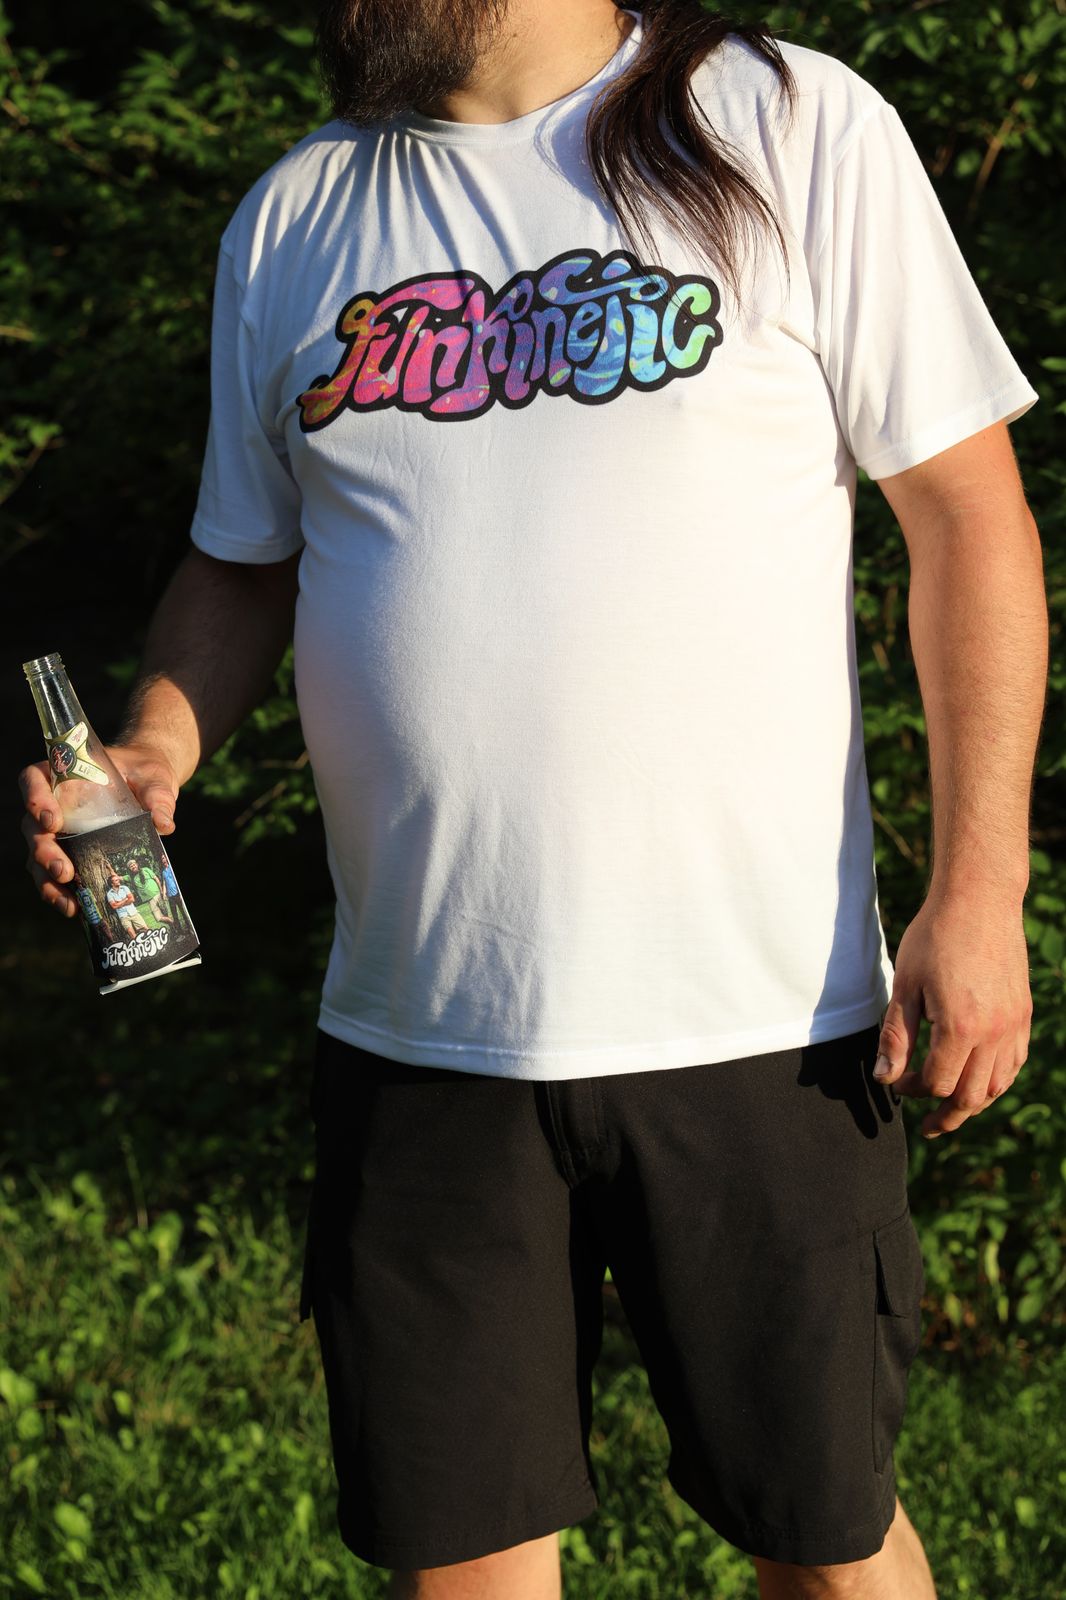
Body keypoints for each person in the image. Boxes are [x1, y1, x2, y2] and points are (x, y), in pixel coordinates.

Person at [19, 2, 1048, 1596]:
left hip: (755, 1018)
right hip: (420, 1034)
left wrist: (976, 890)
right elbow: (239, 559)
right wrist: (157, 744)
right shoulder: (298, 212)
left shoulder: (785, 124)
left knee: (824, 1539)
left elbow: (966, 519)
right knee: (456, 1558)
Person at [126, 854, 172, 925]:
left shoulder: (145, 870)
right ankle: (173, 923)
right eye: (131, 866)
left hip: (157, 894)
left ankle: (174, 927)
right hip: (149, 900)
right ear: (129, 869)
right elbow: (117, 878)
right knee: (158, 918)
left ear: (137, 864)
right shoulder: (130, 877)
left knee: (166, 913)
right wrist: (110, 868)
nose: (133, 867)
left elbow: (156, 879)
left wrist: (161, 891)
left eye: (134, 865)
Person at [104, 873, 150, 941]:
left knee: (145, 928)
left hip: (133, 912)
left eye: (118, 879)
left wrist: (119, 903)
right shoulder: (109, 894)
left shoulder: (124, 888)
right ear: (112, 884)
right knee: (131, 933)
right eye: (116, 880)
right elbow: (114, 906)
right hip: (123, 916)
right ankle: (138, 944)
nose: (118, 881)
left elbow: (132, 899)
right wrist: (125, 899)